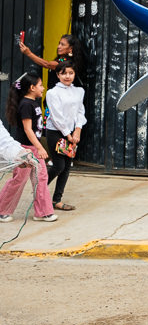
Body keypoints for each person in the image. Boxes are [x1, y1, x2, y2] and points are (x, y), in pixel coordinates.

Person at [0, 74, 57, 223]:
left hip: (34, 148)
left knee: (41, 178)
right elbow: (28, 130)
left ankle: (43, 212)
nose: (43, 88)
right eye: (40, 85)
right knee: (18, 180)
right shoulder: (25, 104)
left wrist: (38, 148)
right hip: (25, 149)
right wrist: (40, 148)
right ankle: (2, 210)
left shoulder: (34, 103)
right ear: (32, 88)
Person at [44, 60, 86, 211]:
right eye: (64, 73)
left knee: (67, 166)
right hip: (55, 131)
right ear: (58, 75)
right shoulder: (52, 93)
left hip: (72, 132)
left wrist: (78, 130)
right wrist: (68, 135)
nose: (67, 76)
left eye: (71, 73)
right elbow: (56, 117)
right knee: (58, 165)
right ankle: (39, 189)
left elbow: (80, 111)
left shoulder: (79, 91)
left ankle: (57, 200)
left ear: (75, 74)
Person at [19, 33, 85, 89]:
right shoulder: (61, 59)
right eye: (59, 44)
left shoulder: (67, 62)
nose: (58, 47)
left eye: (62, 45)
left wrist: (29, 53)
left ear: (70, 49)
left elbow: (47, 64)